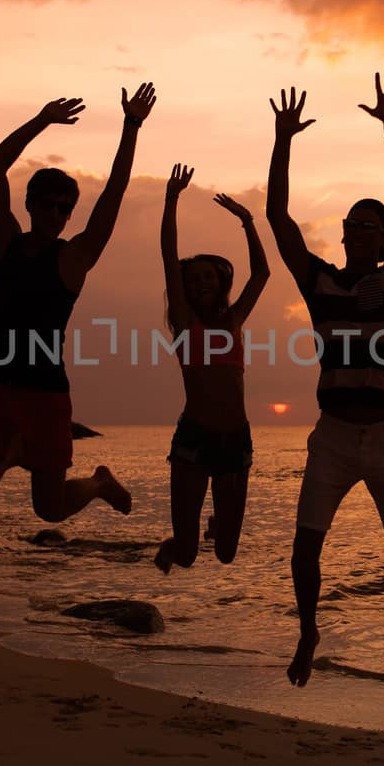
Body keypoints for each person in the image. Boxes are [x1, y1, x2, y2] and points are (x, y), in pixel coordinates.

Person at [265, 72, 384, 698]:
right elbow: (278, 216)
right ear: (343, 236)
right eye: (351, 224)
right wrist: (282, 141)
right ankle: (308, 630)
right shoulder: (321, 282)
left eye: (370, 225)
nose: (359, 231)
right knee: (307, 545)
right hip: (332, 437)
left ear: (382, 239)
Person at [0, 85, 156, 521]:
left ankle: (100, 481)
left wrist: (131, 126)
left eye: (64, 209)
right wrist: (42, 120)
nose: (56, 214)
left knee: (49, 510)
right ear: (29, 205)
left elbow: (114, 194)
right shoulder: (5, 243)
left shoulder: (72, 259)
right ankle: (11, 450)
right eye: (48, 205)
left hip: (44, 394)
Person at [154, 163, 269, 573]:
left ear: (220, 283)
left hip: (235, 441)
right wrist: (171, 199)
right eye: (194, 279)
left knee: (225, 553)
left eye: (208, 277)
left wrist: (247, 221)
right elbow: (169, 255)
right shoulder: (186, 322)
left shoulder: (235, 319)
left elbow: (262, 273)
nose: (201, 282)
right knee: (185, 555)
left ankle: (216, 525)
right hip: (193, 440)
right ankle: (168, 549)